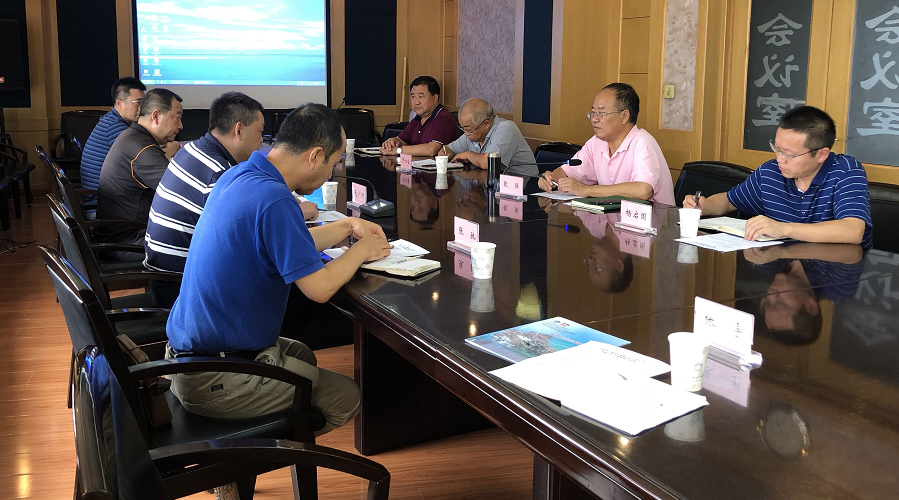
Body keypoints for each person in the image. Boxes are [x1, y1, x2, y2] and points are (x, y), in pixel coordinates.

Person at [165, 104, 390, 443]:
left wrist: (347, 226)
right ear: (315, 156)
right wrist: (362, 250)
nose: (331, 173)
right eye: (333, 163)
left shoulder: (241, 174)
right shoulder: (275, 199)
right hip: (214, 375)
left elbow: (286, 242)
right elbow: (319, 288)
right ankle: (253, 454)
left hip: (185, 357)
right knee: (345, 397)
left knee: (302, 354)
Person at [143, 92, 319, 307]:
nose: (261, 142)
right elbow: (253, 231)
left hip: (164, 275)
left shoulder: (192, 149)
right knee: (299, 290)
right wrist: (298, 211)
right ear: (239, 130)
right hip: (183, 291)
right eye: (259, 132)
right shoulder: (220, 174)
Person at [684, 106, 873, 247]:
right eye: (776, 148)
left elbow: (853, 230)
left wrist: (784, 228)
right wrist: (704, 205)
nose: (779, 159)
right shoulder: (771, 172)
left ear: (822, 154)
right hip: (782, 264)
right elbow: (728, 201)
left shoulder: (845, 171)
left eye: (789, 154)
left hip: (832, 273)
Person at [537, 83, 675, 205]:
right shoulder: (596, 142)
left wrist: (586, 190)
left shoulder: (642, 142)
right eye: (593, 113)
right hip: (615, 219)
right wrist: (551, 178)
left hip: (653, 221)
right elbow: (567, 172)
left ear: (624, 116)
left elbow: (643, 190)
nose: (594, 119)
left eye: (601, 113)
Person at [95, 88, 184, 257]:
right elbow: (180, 192)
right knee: (199, 244)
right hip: (126, 242)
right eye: (177, 117)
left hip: (119, 234)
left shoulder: (132, 137)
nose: (181, 125)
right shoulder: (142, 147)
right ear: (156, 116)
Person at [738, 243, 864, 345]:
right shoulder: (836, 288)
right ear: (810, 306)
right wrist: (783, 252)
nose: (771, 295)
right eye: (780, 304)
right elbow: (853, 253)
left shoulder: (769, 268)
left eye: (767, 304)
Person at [80, 78, 146, 195]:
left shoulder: (111, 120)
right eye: (138, 103)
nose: (142, 109)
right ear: (119, 103)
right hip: (102, 200)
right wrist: (166, 151)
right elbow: (143, 161)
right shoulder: (115, 128)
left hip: (106, 194)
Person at [446, 98, 538, 177]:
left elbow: (488, 162)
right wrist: (445, 154)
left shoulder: (506, 128)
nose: (465, 133)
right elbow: (449, 149)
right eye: (463, 128)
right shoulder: (471, 134)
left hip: (524, 185)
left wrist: (468, 155)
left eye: (468, 129)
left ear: (486, 124)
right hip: (491, 182)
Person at [380, 75, 459, 156]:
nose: (416, 102)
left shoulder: (443, 118)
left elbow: (431, 150)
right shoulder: (417, 119)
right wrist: (393, 141)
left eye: (420, 96)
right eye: (413, 97)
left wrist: (399, 150)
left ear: (435, 98)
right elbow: (401, 140)